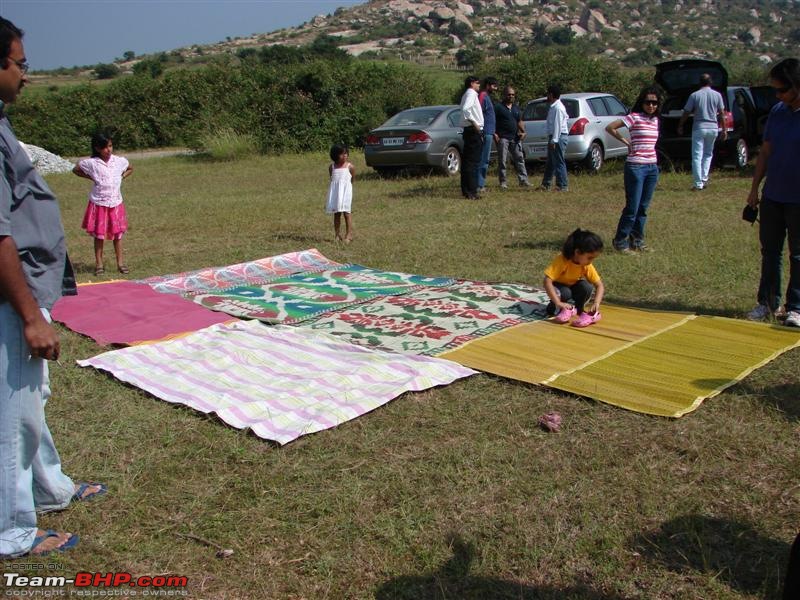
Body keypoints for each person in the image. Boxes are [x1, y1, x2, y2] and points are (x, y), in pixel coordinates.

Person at [0, 16, 106, 559]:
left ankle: (49, 488)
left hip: (20, 295)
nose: (25, 75)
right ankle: (11, 530)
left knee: (29, 397)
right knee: (12, 409)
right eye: (20, 64)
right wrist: (30, 315)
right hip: (9, 300)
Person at [745, 57, 800, 328]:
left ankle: (796, 308)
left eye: (782, 90)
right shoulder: (778, 112)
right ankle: (767, 302)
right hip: (773, 195)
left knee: (798, 254)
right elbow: (766, 152)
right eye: (775, 90)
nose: (778, 96)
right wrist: (755, 188)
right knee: (770, 252)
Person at [606, 86, 662, 253]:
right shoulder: (634, 117)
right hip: (636, 166)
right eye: (648, 102)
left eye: (654, 103)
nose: (651, 106)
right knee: (633, 207)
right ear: (642, 102)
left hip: (652, 166)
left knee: (643, 207)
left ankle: (637, 240)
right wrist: (626, 142)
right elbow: (610, 128)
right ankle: (620, 241)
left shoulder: (656, 120)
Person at [72, 133, 133, 275]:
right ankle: (99, 264)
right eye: (105, 147)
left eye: (110, 146)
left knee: (117, 235)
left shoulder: (119, 161)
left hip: (116, 203)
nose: (108, 150)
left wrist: (122, 176)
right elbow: (76, 170)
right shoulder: (92, 163)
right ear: (97, 148)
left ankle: (120, 263)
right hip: (99, 203)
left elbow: (130, 168)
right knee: (99, 236)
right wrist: (91, 177)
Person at [543, 228, 605, 328]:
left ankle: (578, 309)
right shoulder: (562, 260)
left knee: (586, 287)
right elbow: (547, 281)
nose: (591, 261)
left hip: (572, 285)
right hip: (558, 286)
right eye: (589, 257)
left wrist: (596, 302)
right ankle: (555, 309)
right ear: (577, 252)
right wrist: (558, 302)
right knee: (565, 292)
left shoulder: (586, 265)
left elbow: (599, 285)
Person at [677, 73, 727, 191]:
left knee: (697, 155)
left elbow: (687, 111)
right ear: (710, 82)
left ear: (699, 83)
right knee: (708, 154)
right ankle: (704, 178)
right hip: (713, 127)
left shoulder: (694, 95)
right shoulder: (717, 95)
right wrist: (724, 129)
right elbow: (722, 114)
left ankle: (698, 183)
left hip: (699, 127)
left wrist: (680, 124)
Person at [494, 85, 530, 189]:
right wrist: (495, 134)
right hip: (503, 138)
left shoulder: (516, 108)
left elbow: (519, 121)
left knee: (520, 159)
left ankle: (523, 180)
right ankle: (503, 182)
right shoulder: (498, 107)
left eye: (513, 95)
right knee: (503, 161)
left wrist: (523, 132)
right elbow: (492, 122)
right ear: (504, 95)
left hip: (515, 138)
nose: (511, 96)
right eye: (509, 94)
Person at [540, 84, 569, 192]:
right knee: (551, 162)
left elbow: (558, 125)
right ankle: (546, 183)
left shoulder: (558, 108)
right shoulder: (553, 107)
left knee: (558, 161)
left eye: (548, 94)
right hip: (554, 136)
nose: (547, 96)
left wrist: (554, 140)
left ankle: (562, 185)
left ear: (551, 95)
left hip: (559, 137)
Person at [459, 75, 483, 200]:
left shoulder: (467, 94)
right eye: (478, 83)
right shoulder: (471, 94)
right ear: (472, 83)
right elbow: (465, 109)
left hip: (469, 131)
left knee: (468, 162)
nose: (479, 85)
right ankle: (471, 191)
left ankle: (467, 190)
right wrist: (474, 123)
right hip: (473, 130)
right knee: (472, 163)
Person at [325, 143, 355, 243]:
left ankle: (349, 235)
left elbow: (352, 180)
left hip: (346, 193)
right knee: (337, 214)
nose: (345, 155)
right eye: (342, 154)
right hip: (336, 194)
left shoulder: (350, 167)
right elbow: (332, 179)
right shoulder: (332, 167)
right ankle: (337, 235)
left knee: (347, 213)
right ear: (335, 155)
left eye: (346, 153)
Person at [476, 76, 498, 193]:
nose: (496, 88)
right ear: (488, 85)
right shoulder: (483, 96)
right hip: (485, 132)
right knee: (483, 159)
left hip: (489, 132)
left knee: (485, 159)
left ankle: (480, 183)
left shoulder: (487, 97)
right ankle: (479, 185)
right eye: (494, 86)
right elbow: (478, 112)